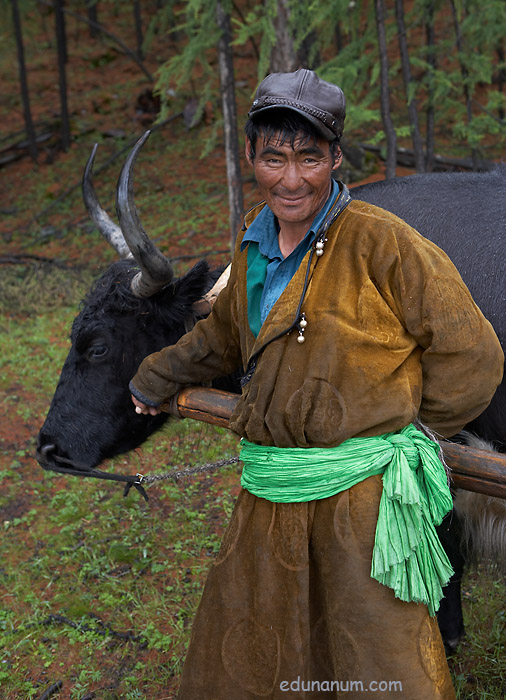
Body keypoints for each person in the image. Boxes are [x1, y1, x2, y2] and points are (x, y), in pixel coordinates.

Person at [129, 69, 503, 699]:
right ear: (252, 156)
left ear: (334, 158)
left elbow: (475, 354)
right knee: (257, 652)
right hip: (271, 495)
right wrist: (153, 376)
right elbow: (223, 336)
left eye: (308, 157)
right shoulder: (254, 242)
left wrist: (415, 431)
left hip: (363, 502)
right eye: (274, 157)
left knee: (378, 666)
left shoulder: (386, 244)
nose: (292, 178)